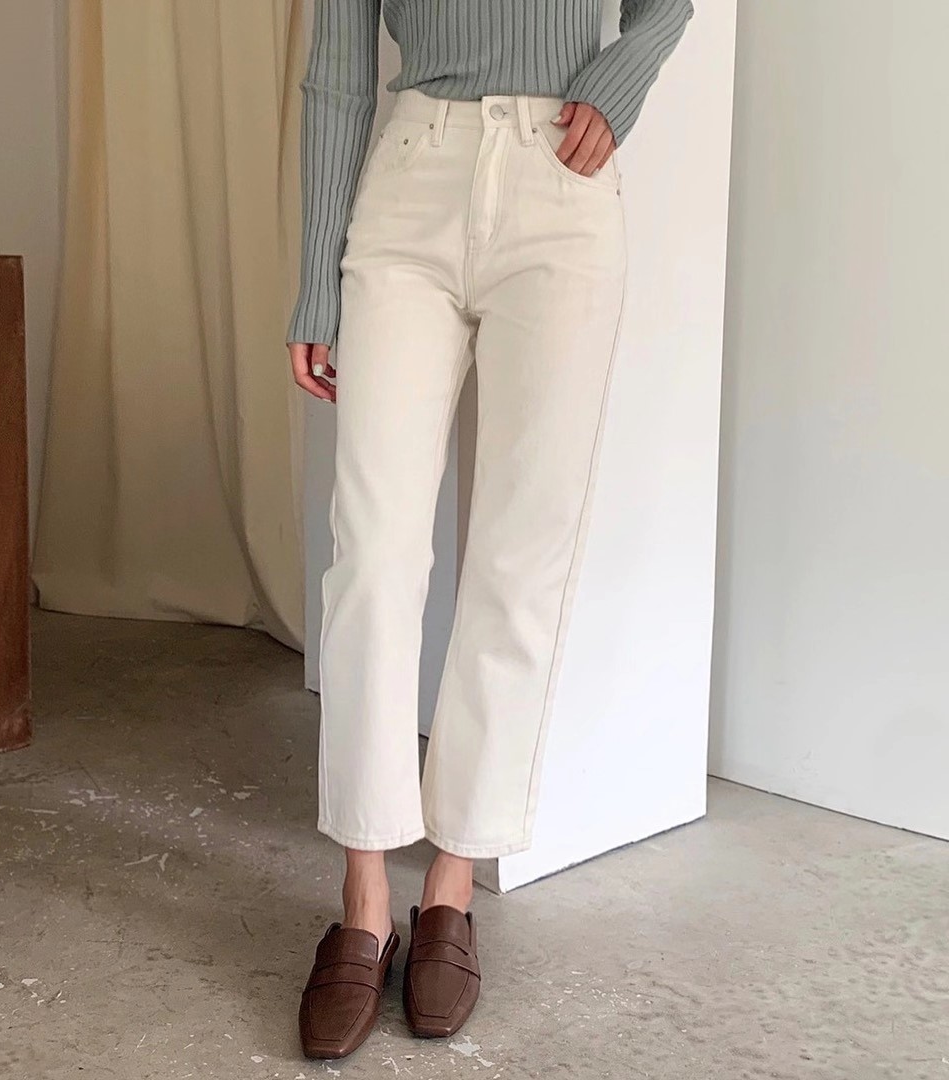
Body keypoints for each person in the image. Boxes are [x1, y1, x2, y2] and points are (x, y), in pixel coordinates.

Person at [286, 0, 693, 1060]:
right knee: (374, 554)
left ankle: (453, 887)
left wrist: (621, 79)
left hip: (561, 184)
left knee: (520, 556)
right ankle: (364, 898)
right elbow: (335, 72)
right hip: (409, 183)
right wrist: (315, 285)